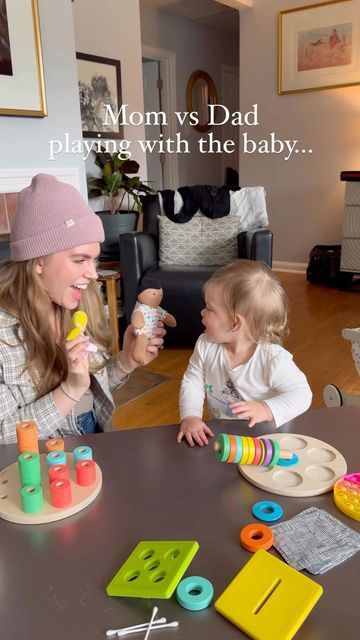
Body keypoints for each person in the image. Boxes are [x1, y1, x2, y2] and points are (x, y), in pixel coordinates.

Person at [0, 174, 164, 444]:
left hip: (92, 442)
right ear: (38, 261)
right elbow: (4, 436)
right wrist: (69, 390)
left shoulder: (80, 303)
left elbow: (90, 391)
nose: (93, 274)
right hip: (41, 463)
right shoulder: (5, 332)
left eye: (95, 260)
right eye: (80, 260)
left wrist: (125, 362)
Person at [177, 260, 312, 446]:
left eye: (209, 308)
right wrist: (190, 417)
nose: (202, 312)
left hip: (268, 439)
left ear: (235, 323)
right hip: (222, 435)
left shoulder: (272, 359)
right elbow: (193, 381)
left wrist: (265, 409)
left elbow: (302, 394)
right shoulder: (206, 345)